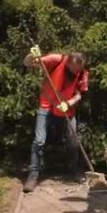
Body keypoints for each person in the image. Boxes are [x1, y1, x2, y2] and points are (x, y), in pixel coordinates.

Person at [22, 48, 89, 193]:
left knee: (73, 141)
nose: (76, 71)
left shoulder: (82, 73)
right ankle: (33, 175)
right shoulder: (57, 60)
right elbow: (30, 63)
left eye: (79, 68)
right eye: (74, 68)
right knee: (39, 141)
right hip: (46, 106)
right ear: (69, 62)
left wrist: (68, 103)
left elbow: (79, 95)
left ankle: (74, 170)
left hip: (66, 110)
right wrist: (32, 56)